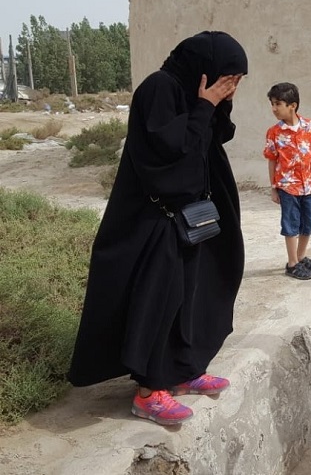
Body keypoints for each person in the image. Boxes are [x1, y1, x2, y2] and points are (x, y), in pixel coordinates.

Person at [68, 31, 249, 426]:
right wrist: (205, 106)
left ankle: (183, 371)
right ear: (204, 69)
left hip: (188, 217)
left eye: (236, 81)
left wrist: (217, 106)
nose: (230, 86)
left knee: (190, 297)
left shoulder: (193, 94)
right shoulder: (158, 89)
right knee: (158, 301)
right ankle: (149, 392)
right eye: (227, 79)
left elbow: (212, 141)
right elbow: (171, 153)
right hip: (153, 220)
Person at [263, 82, 311, 280]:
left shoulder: (310, 127)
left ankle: (301, 256)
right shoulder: (274, 133)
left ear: (292, 106)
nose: (274, 108)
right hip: (287, 187)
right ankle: (292, 263)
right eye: (272, 104)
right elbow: (272, 161)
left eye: (278, 104)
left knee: (308, 223)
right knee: (291, 224)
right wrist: (273, 188)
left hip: (307, 186)